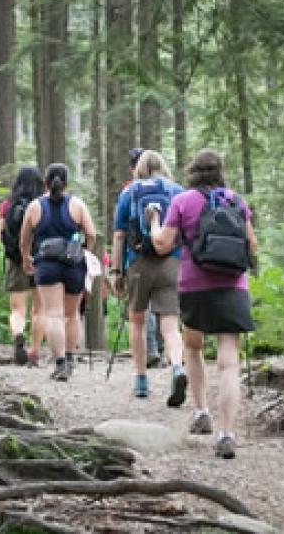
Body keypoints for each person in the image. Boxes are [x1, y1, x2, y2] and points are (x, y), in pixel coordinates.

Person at [150, 150, 257, 460]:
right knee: (229, 361)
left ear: (193, 172)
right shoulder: (236, 201)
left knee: (193, 348)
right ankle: (226, 433)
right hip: (233, 286)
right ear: (220, 172)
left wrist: (155, 222)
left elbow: (162, 244)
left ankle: (200, 412)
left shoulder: (183, 201)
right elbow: (252, 243)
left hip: (195, 285)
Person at [112, 150, 188, 403]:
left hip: (138, 262)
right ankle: (177, 366)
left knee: (137, 321)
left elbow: (119, 235)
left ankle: (141, 380)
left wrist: (116, 271)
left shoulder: (129, 193)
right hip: (170, 261)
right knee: (170, 322)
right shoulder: (176, 191)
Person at [21, 163, 98, 382]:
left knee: (52, 314)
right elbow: (91, 233)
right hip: (73, 263)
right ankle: (71, 357)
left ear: (45, 182)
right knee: (72, 314)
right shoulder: (77, 205)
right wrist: (84, 252)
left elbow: (24, 238)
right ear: (67, 183)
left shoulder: (35, 207)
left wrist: (27, 257)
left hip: (46, 264)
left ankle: (61, 362)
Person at [0, 167, 44, 364]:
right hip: (41, 260)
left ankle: (18, 334)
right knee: (39, 310)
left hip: (16, 261)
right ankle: (34, 352)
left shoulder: (8, 205)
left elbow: (0, 232)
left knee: (17, 309)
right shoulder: (43, 203)